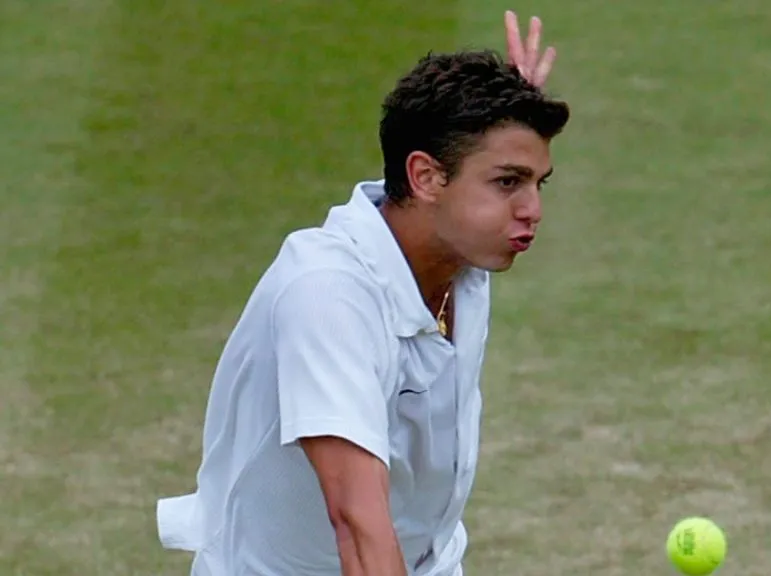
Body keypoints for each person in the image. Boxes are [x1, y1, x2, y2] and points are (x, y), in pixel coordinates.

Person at [155, 10, 570, 576]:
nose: (533, 211)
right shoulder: (328, 296)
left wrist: (504, 121)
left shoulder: (461, 254)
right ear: (425, 177)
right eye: (507, 182)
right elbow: (356, 524)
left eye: (536, 182)